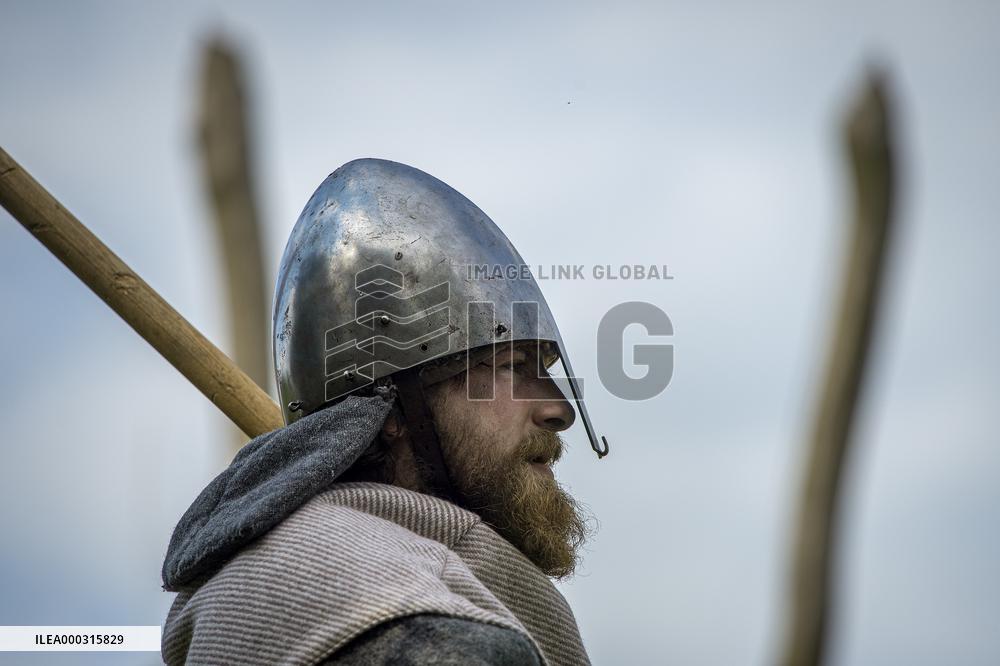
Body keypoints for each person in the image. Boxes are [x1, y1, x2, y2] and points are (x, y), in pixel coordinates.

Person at [160, 159, 607, 665]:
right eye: (509, 365)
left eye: (544, 368)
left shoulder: (381, 574)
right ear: (391, 408)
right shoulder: (411, 626)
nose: (558, 409)